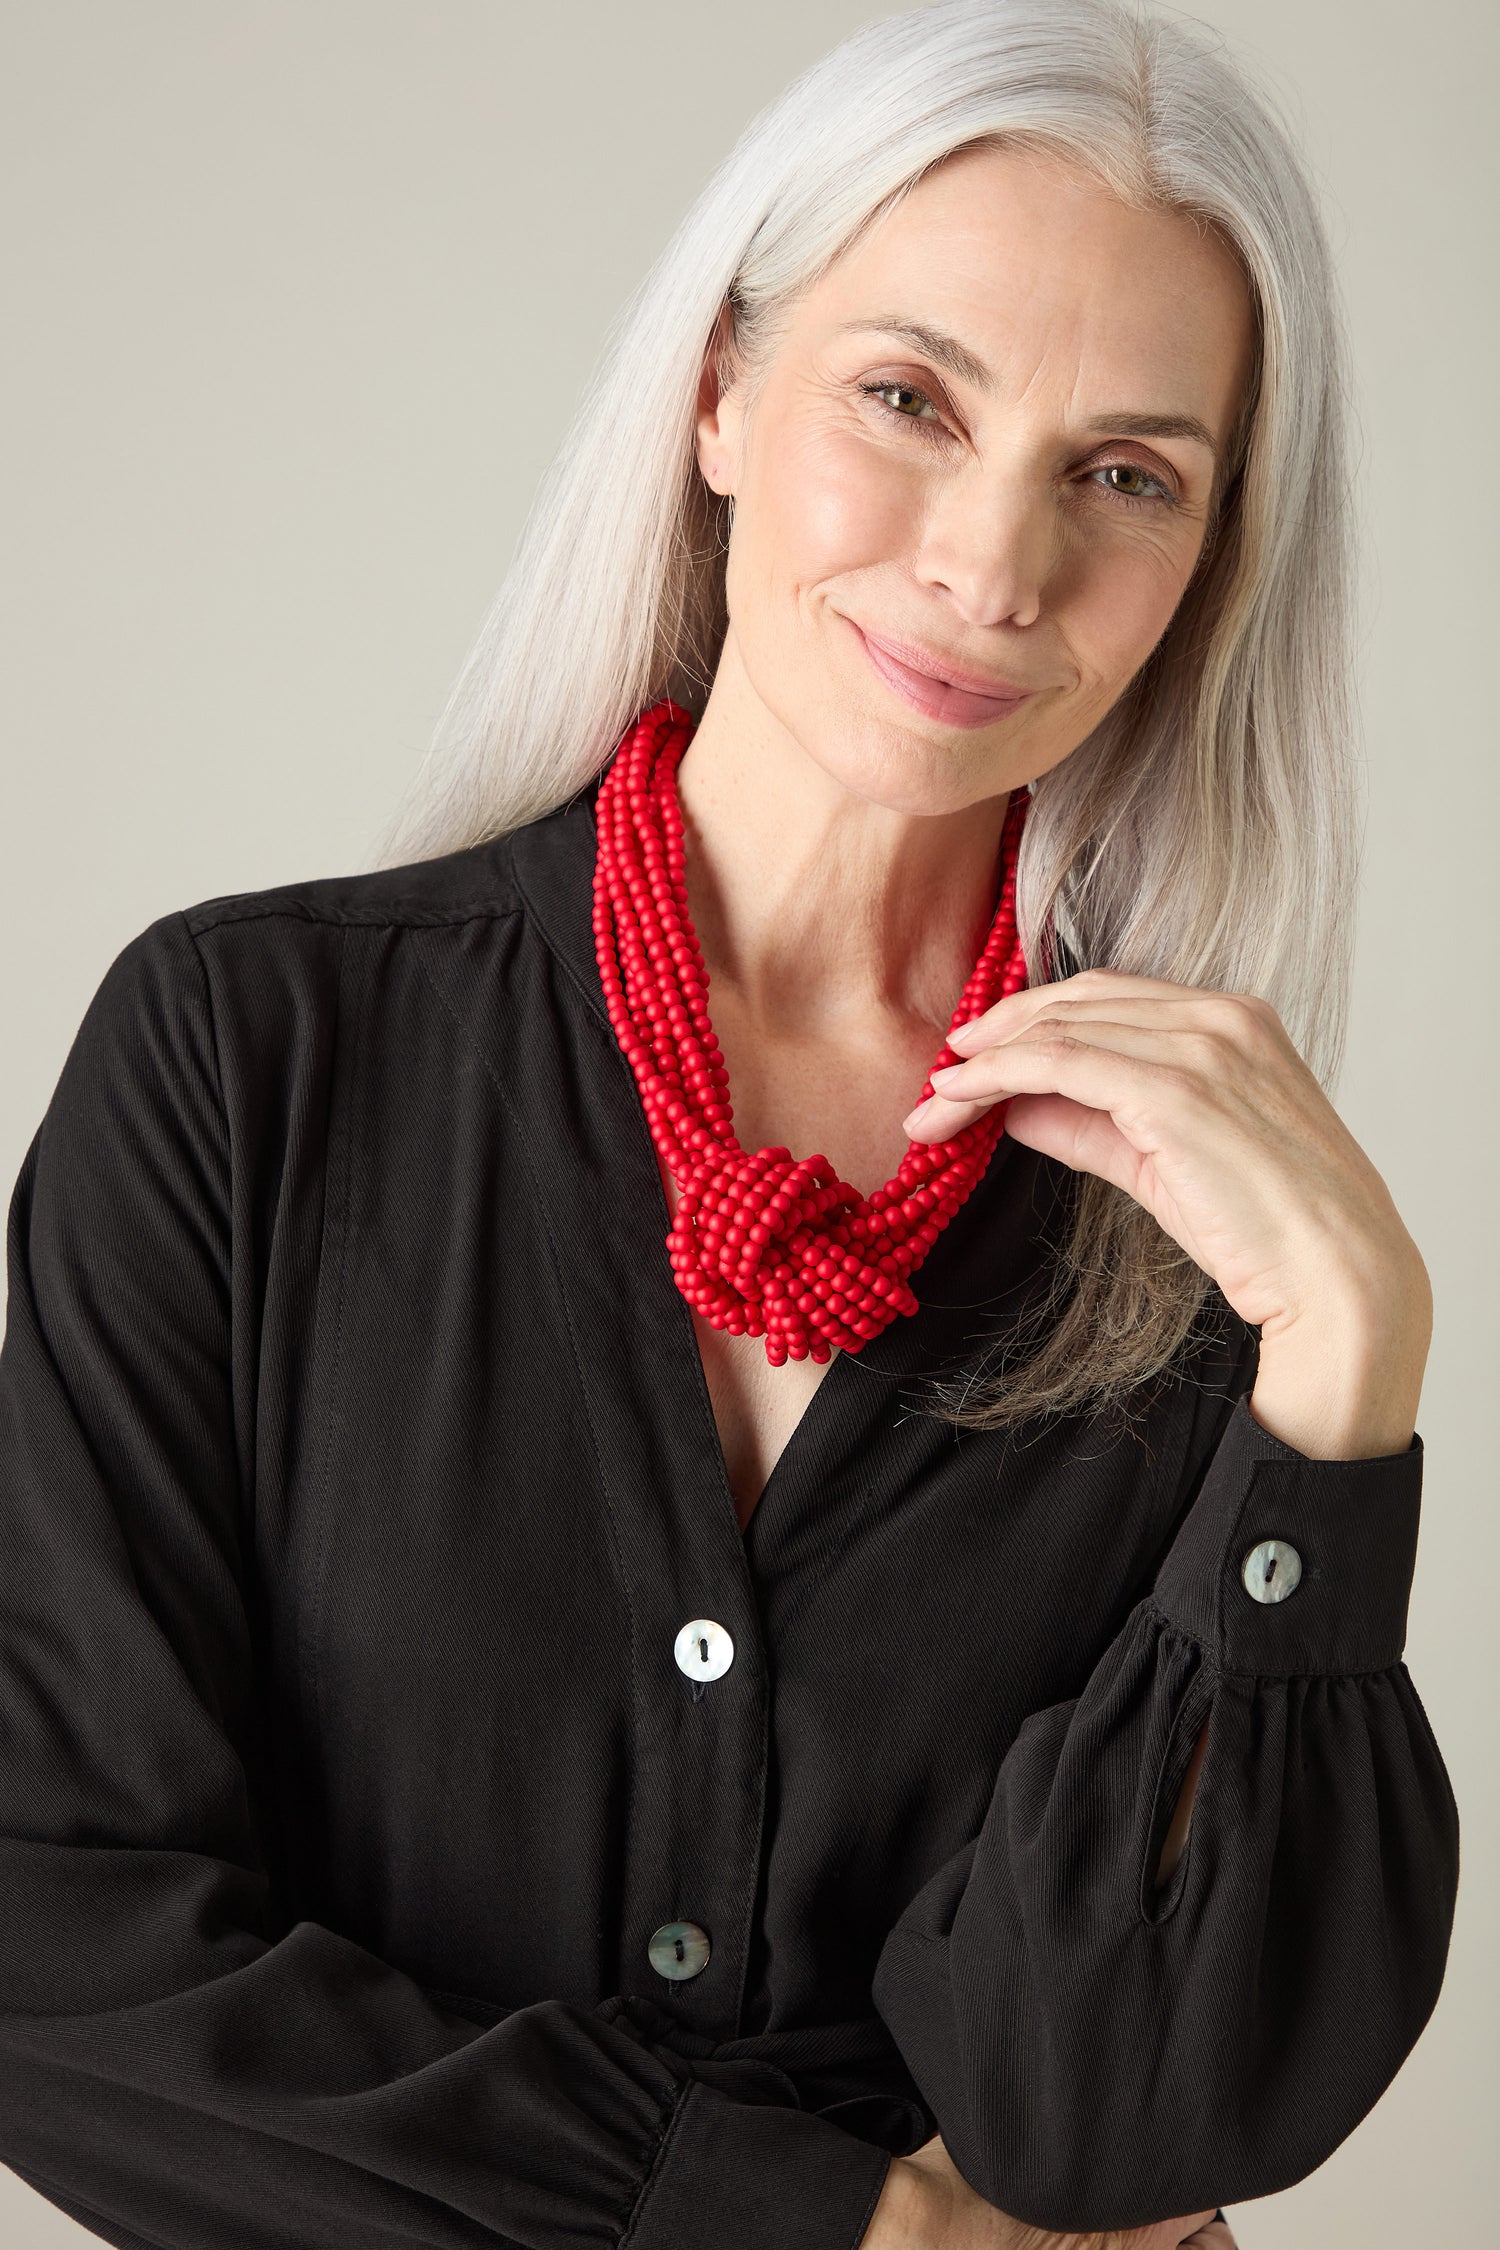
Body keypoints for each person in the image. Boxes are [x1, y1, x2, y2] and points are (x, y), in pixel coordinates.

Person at [0, 2, 1459, 2247]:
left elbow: (1124, 2120)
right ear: (715, 392)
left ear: (1207, 569)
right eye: (910, 398)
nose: (993, 564)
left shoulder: (1195, 1225)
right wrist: (828, 2227)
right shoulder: (246, 1053)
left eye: (1126, 474)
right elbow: (47, 1951)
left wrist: (1346, 1392)